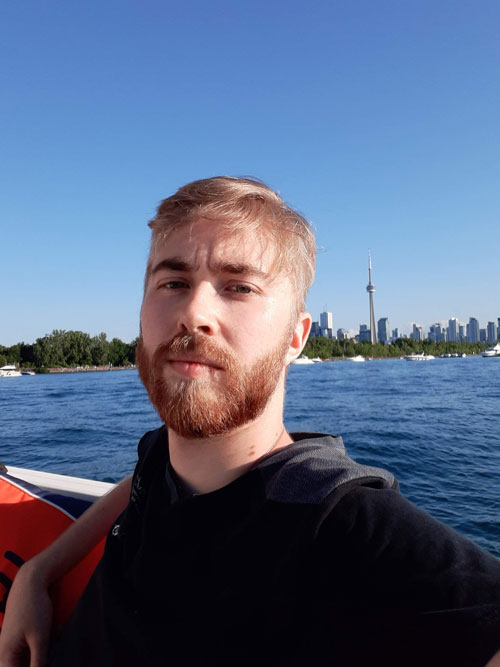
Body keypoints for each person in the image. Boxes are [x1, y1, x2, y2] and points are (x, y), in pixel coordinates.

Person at [0, 176, 499, 667]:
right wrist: (40, 569)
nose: (194, 312)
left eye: (239, 287)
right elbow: (140, 480)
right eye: (173, 282)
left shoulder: (338, 522)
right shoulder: (159, 457)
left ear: (295, 337)